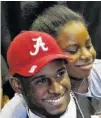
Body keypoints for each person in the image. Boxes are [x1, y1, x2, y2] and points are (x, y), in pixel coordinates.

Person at [0, 31, 98, 118]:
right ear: (17, 85)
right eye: (42, 81)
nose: (57, 89)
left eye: (60, 74)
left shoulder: (95, 107)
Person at [30, 4, 101, 100]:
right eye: (73, 51)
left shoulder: (98, 71)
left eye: (88, 46)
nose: (87, 55)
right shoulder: (42, 95)